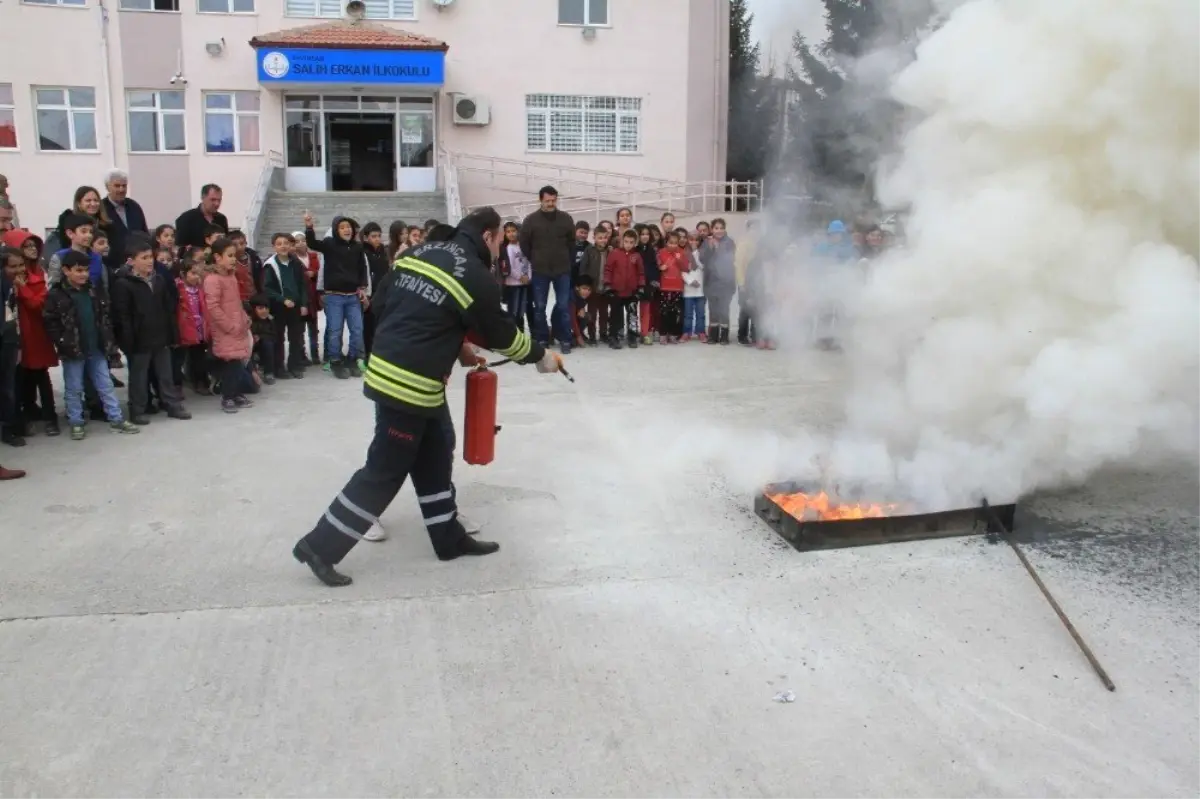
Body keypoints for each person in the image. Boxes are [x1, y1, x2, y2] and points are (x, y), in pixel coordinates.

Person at [292, 207, 565, 587]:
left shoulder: (417, 254)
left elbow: (393, 306)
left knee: (437, 449)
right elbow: (500, 332)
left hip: (394, 369)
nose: (502, 244)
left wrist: (456, 347)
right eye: (501, 237)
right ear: (487, 236)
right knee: (385, 470)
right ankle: (319, 547)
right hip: (408, 384)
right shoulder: (473, 273)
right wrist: (540, 358)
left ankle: (448, 537)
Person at [42, 251, 141, 439]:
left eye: (86, 270)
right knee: (74, 387)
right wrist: (62, 341)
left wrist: (108, 341)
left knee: (105, 385)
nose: (83, 275)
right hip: (73, 349)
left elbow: (104, 317)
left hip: (96, 347)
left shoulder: (93, 291)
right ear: (66, 270)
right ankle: (76, 422)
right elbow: (50, 322)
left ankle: (116, 418)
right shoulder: (56, 294)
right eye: (78, 270)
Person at [111, 238, 191, 424]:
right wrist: (127, 341)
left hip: (160, 335)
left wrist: (172, 333)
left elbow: (168, 309)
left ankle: (172, 405)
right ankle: (137, 410)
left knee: (165, 374)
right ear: (131, 261)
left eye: (151, 257)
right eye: (144, 257)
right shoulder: (124, 284)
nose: (149, 261)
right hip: (139, 339)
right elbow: (123, 317)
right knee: (139, 377)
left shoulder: (159, 280)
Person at [3, 230, 59, 435]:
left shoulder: (38, 275)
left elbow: (38, 303)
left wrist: (23, 289)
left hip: (35, 333)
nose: (33, 249)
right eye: (27, 246)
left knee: (41, 374)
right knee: (19, 378)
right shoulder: (6, 279)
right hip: (15, 333)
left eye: (34, 245)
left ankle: (50, 417)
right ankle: (23, 416)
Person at [305, 212, 367, 379]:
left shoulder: (357, 247)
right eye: (342, 227)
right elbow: (311, 243)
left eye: (348, 227)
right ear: (335, 230)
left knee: (357, 329)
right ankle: (335, 360)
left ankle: (353, 359)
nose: (346, 230)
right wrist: (309, 227)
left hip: (353, 296)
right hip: (334, 296)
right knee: (335, 330)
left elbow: (362, 268)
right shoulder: (329, 244)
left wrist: (362, 287)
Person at [519, 185, 576, 353]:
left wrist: (568, 260)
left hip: (562, 270)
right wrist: (535, 258)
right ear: (540, 200)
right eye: (547, 201)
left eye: (553, 200)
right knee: (540, 307)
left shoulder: (566, 218)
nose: (551, 204)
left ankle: (565, 338)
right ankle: (542, 338)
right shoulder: (530, 220)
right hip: (540, 270)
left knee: (563, 306)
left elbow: (572, 243)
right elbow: (524, 243)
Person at [203, 237, 253, 414]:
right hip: (226, 329)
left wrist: (244, 317)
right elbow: (213, 307)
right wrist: (229, 326)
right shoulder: (212, 280)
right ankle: (227, 396)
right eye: (229, 255)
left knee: (238, 361)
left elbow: (236, 302)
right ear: (217, 257)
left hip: (237, 326)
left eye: (234, 255)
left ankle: (237, 393)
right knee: (230, 362)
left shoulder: (231, 276)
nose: (233, 259)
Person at [262, 232, 309, 379]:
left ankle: (294, 365)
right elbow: (268, 289)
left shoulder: (296, 263)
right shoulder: (271, 265)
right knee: (279, 338)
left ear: (291, 245)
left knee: (295, 337)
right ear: (274, 247)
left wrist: (303, 303)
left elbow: (303, 285)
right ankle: (279, 368)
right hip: (279, 307)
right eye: (279, 243)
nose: (283, 246)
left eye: (286, 243)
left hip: (295, 307)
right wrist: (282, 299)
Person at [101, 169, 149, 276]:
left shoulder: (134, 206)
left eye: (124, 186)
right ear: (108, 187)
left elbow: (144, 233)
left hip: (137, 267)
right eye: (117, 186)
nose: (121, 189)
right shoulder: (101, 209)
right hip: (113, 267)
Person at [603, 229, 645, 349]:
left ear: (635, 243)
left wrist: (641, 287)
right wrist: (608, 285)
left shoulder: (637, 256)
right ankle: (613, 337)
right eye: (626, 241)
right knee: (615, 315)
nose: (628, 245)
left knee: (632, 315)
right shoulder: (614, 253)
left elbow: (641, 273)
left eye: (631, 242)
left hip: (632, 291)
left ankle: (632, 336)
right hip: (617, 291)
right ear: (622, 241)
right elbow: (608, 270)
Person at [174, 261, 211, 395]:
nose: (197, 277)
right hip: (183, 328)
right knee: (178, 359)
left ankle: (200, 382)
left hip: (199, 328)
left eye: (198, 274)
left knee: (199, 357)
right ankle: (177, 385)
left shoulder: (200, 289)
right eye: (193, 273)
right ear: (183, 274)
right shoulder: (177, 288)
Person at [701, 218, 737, 345]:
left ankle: (724, 335)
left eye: (722, 228)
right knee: (713, 309)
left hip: (726, 282)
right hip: (711, 281)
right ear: (712, 229)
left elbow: (730, 259)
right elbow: (702, 259)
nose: (719, 230)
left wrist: (718, 249)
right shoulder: (707, 242)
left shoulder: (729, 242)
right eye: (716, 228)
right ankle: (713, 335)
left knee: (724, 309)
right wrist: (711, 248)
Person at [1, 247, 24, 447]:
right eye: (12, 267)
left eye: (20, 266)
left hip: (10, 342)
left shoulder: (13, 287)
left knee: (8, 388)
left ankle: (8, 429)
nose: (17, 270)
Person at [574, 225, 609, 346]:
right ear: (594, 238)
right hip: (592, 288)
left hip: (605, 288)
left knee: (604, 313)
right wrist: (585, 286)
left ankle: (604, 333)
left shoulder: (610, 251)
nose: (603, 240)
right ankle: (592, 335)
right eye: (600, 238)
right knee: (592, 313)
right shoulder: (589, 250)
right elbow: (583, 268)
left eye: (605, 237)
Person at [292, 231, 322, 365]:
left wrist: (314, 273)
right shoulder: (292, 259)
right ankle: (302, 354)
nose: (301, 243)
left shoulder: (314, 256)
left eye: (303, 240)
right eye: (297, 241)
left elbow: (320, 272)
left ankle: (315, 353)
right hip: (300, 299)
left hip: (313, 297)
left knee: (313, 328)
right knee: (299, 329)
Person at [360, 222, 390, 358]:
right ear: (366, 238)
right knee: (368, 327)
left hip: (382, 294)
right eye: (373, 236)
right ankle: (367, 353)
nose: (377, 239)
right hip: (369, 295)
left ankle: (379, 352)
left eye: (379, 236)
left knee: (381, 326)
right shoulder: (362, 252)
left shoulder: (382, 251)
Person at [175, 184, 229, 253]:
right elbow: (180, 248)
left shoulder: (222, 219)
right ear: (203, 197)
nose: (217, 204)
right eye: (213, 200)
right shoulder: (186, 219)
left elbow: (226, 245)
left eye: (219, 200)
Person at [498, 222, 531, 329]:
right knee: (513, 311)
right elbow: (508, 267)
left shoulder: (524, 247)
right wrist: (520, 277)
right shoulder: (507, 248)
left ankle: (520, 332)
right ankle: (512, 333)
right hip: (512, 284)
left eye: (513, 231)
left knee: (521, 312)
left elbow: (529, 262)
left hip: (525, 283)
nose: (511, 234)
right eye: (508, 232)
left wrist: (528, 277)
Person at [656, 229, 687, 344]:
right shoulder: (661, 252)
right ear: (666, 242)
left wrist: (679, 260)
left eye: (675, 243)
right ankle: (663, 334)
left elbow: (685, 268)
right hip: (665, 287)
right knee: (664, 311)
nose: (673, 245)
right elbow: (657, 265)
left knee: (675, 311)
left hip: (677, 287)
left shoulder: (681, 252)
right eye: (670, 242)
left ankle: (673, 334)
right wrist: (661, 267)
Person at [635, 224, 660, 344]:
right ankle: (633, 332)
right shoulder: (634, 250)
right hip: (634, 284)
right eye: (642, 234)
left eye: (647, 234)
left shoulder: (651, 250)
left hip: (648, 284)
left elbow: (654, 267)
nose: (645, 237)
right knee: (632, 310)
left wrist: (655, 280)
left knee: (646, 310)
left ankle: (644, 333)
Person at [681, 229, 706, 342]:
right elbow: (682, 271)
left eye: (696, 240)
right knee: (688, 314)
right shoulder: (683, 253)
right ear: (687, 240)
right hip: (688, 289)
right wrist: (690, 281)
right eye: (691, 239)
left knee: (701, 313)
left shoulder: (703, 253)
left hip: (701, 289)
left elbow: (704, 267)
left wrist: (697, 255)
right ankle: (687, 332)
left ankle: (700, 332)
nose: (693, 242)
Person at [247, 294, 278, 384]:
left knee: (268, 344)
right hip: (249, 346)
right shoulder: (248, 320)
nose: (264, 311)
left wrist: (260, 337)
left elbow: (274, 335)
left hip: (264, 344)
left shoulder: (270, 320)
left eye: (266, 308)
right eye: (260, 308)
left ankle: (269, 372)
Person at [228, 230, 261, 300]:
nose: (239, 247)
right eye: (235, 245)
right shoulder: (228, 262)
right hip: (237, 298)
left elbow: (261, 278)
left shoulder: (254, 258)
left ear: (246, 243)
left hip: (255, 296)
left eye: (242, 243)